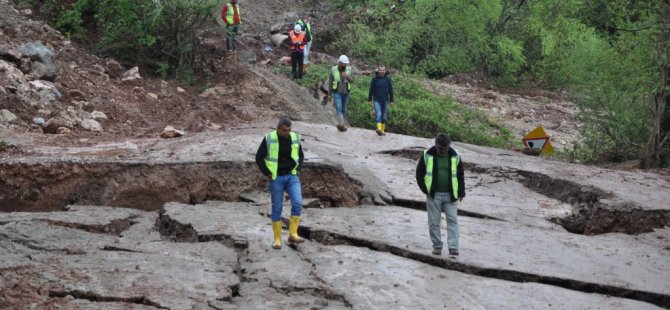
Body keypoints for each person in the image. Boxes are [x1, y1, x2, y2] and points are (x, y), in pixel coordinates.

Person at [255, 117, 306, 249]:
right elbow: (259, 157)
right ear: (278, 128)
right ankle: (277, 239)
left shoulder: (295, 137)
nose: (287, 133)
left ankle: (293, 234)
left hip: (292, 176)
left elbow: (300, 155)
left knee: (298, 202)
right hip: (276, 178)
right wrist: (267, 172)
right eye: (284, 130)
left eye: (289, 130)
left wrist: (299, 168)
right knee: (277, 208)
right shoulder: (269, 138)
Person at [415, 133, 465, 256]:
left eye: (444, 148)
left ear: (448, 146)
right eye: (439, 148)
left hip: (451, 194)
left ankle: (453, 247)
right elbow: (419, 173)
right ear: (436, 145)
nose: (442, 151)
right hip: (433, 195)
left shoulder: (455, 156)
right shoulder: (427, 155)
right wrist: (425, 189)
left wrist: (461, 192)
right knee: (433, 222)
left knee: (452, 220)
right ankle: (437, 246)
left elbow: (460, 175)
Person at [326, 55, 354, 132]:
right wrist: (329, 94)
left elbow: (352, 81)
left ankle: (343, 125)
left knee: (344, 108)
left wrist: (347, 76)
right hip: (337, 92)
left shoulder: (349, 69)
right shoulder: (333, 69)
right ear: (340, 63)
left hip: (346, 92)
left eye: (346, 64)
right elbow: (330, 82)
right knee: (339, 107)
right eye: (344, 63)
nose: (345, 65)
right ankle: (341, 124)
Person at [367, 65, 394, 136]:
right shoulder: (374, 79)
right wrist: (369, 100)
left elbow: (391, 91)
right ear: (378, 71)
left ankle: (382, 130)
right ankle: (379, 129)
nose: (382, 71)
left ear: (385, 71)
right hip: (376, 100)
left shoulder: (388, 80)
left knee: (384, 116)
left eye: (383, 70)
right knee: (379, 114)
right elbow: (371, 90)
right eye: (380, 70)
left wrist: (391, 101)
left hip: (385, 101)